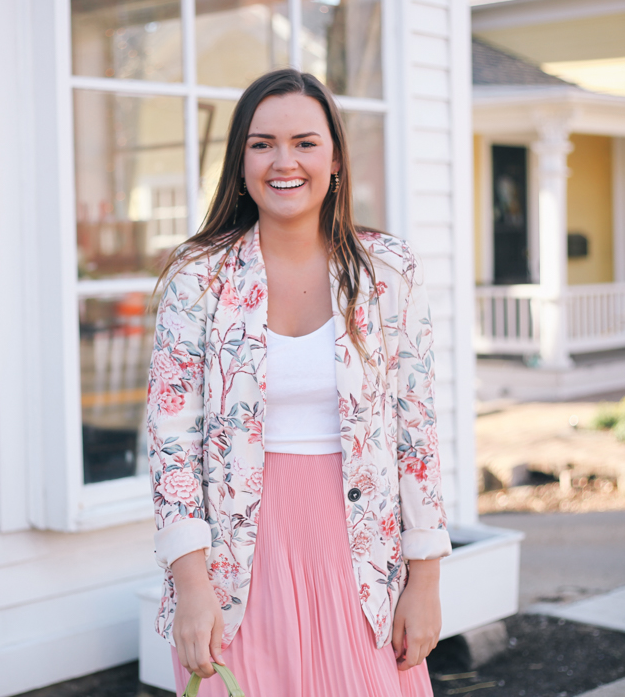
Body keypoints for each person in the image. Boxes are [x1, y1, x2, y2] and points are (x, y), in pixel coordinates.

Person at [147, 68, 452, 697]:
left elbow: (416, 432)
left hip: (362, 557)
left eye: (305, 143)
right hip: (234, 567)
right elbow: (171, 441)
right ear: (239, 160)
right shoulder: (197, 277)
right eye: (262, 144)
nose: (284, 161)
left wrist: (425, 580)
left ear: (335, 157)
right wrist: (191, 585)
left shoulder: (389, 271)